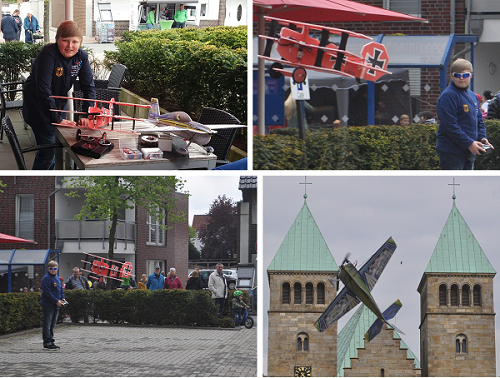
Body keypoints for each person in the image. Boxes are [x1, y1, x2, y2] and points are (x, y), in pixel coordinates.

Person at [23, 21, 95, 170]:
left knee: (52, 150)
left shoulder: (81, 57)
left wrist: (88, 115)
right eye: (65, 41)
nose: (70, 46)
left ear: (80, 42)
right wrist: (57, 118)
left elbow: (89, 87)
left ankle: (50, 176)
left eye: (75, 41)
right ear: (57, 40)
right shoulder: (48, 54)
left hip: (55, 105)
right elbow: (43, 90)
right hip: (37, 106)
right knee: (47, 153)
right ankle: (40, 181)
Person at [436, 58, 493, 170]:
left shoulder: (473, 96)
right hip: (451, 152)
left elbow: (479, 121)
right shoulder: (448, 96)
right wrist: (469, 143)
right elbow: (450, 125)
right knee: (453, 186)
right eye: (457, 75)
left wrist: (482, 137)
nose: (461, 78)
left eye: (465, 75)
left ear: (471, 75)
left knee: (466, 186)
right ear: (452, 76)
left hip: (468, 151)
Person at [41, 260, 66, 350]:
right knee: (47, 323)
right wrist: (56, 301)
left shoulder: (57, 278)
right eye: (51, 268)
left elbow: (60, 290)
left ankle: (50, 340)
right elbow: (47, 293)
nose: (53, 270)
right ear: (48, 269)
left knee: (52, 323)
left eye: (55, 268)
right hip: (48, 304)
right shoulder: (46, 278)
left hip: (56, 304)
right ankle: (47, 342)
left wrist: (62, 298)